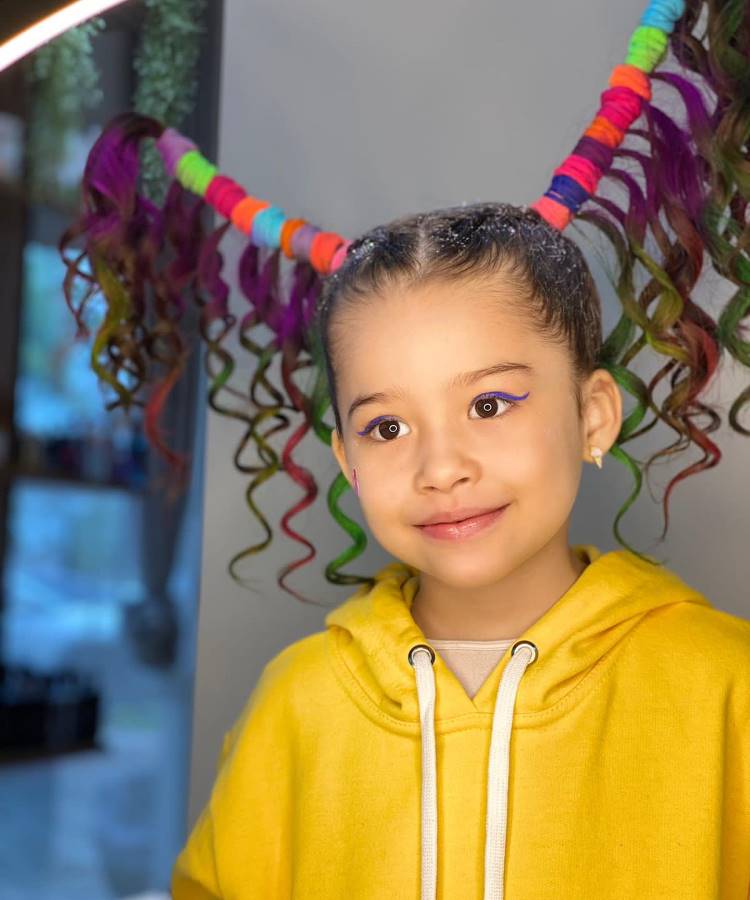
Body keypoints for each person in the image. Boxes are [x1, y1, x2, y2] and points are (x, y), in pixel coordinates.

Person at [169, 202, 750, 898]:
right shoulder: (293, 703)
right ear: (348, 460)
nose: (441, 469)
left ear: (592, 415)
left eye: (489, 405)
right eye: (387, 428)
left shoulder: (729, 686)